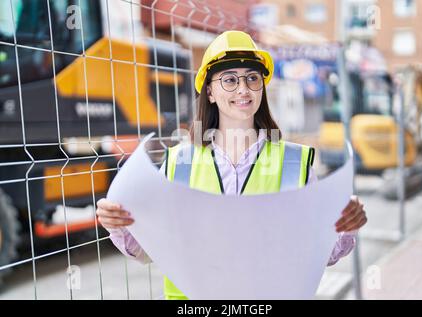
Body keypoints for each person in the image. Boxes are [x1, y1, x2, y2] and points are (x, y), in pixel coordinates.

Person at [96, 30, 367, 300]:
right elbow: (148, 251)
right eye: (229, 80)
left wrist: (345, 226)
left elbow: (320, 254)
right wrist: (118, 224)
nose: (243, 89)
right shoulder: (179, 162)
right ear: (210, 91)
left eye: (252, 78)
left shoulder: (294, 163)